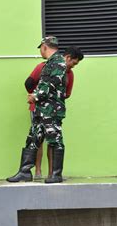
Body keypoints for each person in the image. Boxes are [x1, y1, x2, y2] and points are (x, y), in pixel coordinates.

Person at [7, 36, 67, 184]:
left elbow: (51, 84)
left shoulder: (59, 62)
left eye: (41, 48)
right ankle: (25, 172)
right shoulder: (50, 63)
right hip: (41, 110)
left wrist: (35, 96)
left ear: (44, 47)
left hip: (52, 110)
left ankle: (56, 174)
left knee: (55, 140)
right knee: (32, 139)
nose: (41, 51)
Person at [25, 46, 84, 179]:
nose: (73, 66)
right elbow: (29, 83)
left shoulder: (70, 73)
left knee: (52, 140)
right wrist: (35, 96)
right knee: (36, 139)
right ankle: (37, 172)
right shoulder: (43, 66)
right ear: (68, 57)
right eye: (73, 63)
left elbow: (67, 93)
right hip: (37, 108)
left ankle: (53, 173)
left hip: (53, 110)